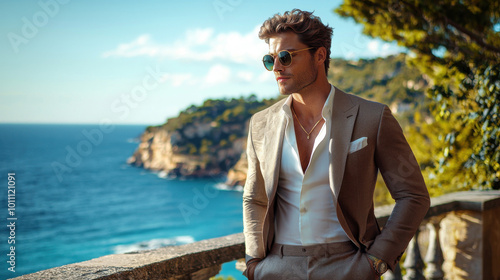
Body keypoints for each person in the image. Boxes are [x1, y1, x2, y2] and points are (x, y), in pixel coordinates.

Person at [242, 9, 430, 280]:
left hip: (348, 265)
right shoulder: (260, 124)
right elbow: (254, 197)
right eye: (269, 60)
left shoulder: (372, 117)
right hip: (277, 268)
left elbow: (413, 196)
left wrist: (376, 262)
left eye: (285, 57)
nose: (277, 68)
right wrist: (254, 264)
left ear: (319, 55)